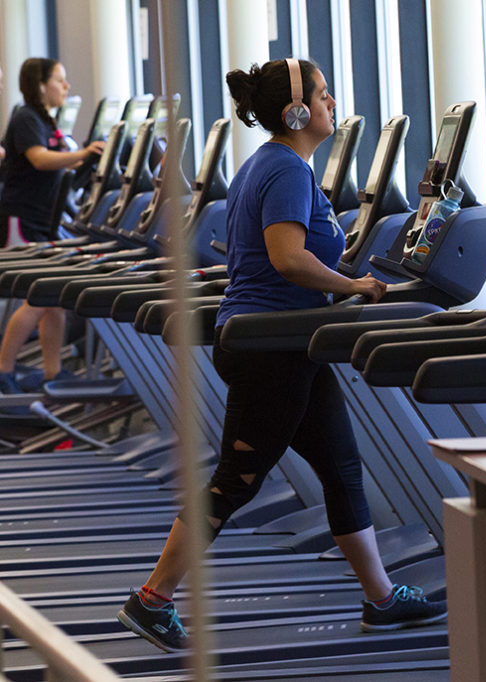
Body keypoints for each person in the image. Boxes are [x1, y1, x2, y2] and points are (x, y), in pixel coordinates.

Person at [116, 58, 446, 653]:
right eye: (323, 94)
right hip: (271, 349)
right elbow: (287, 258)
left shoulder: (273, 163)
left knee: (342, 467)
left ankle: (380, 600)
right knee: (236, 480)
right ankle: (152, 599)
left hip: (289, 341)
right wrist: (356, 286)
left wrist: (339, 279)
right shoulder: (287, 170)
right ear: (297, 111)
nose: (332, 103)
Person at [0, 58, 104, 406]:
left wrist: (82, 158)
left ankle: (51, 371)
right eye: (60, 80)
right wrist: (82, 153)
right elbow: (40, 159)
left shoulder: (43, 119)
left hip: (41, 219)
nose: (66, 86)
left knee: (54, 298)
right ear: (41, 85)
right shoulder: (27, 117)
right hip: (22, 220)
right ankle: (4, 370)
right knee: (37, 296)